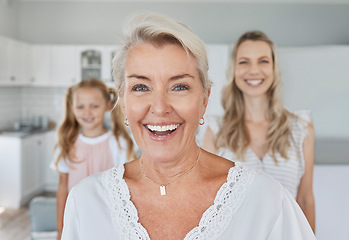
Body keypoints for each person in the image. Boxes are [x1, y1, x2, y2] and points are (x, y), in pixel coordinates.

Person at [61, 13, 316, 239]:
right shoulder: (86, 202)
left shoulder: (267, 201)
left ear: (204, 99)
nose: (160, 107)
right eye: (141, 87)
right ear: (123, 101)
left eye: (179, 86)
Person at [202, 30, 316, 232]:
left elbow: (305, 200)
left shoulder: (300, 127)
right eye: (244, 62)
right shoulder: (216, 130)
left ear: (274, 69)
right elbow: (207, 201)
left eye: (263, 61)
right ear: (234, 70)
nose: (254, 70)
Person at [51, 78, 136, 240]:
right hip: (76, 218)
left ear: (107, 105)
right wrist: (60, 229)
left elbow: (128, 189)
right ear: (72, 108)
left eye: (94, 106)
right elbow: (63, 188)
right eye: (80, 107)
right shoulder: (66, 144)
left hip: (108, 220)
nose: (87, 112)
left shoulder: (119, 144)